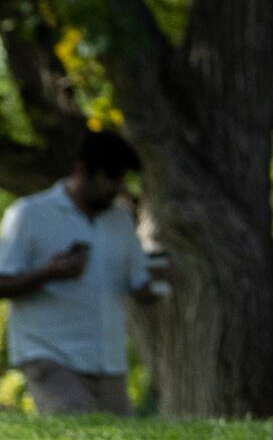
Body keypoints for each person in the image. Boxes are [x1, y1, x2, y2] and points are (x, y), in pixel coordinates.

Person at [0, 130, 169, 415]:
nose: (118, 187)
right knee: (76, 432)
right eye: (111, 177)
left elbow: (139, 285)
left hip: (108, 361)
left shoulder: (120, 219)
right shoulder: (29, 214)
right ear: (82, 170)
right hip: (51, 355)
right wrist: (49, 273)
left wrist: (162, 280)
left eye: (122, 179)